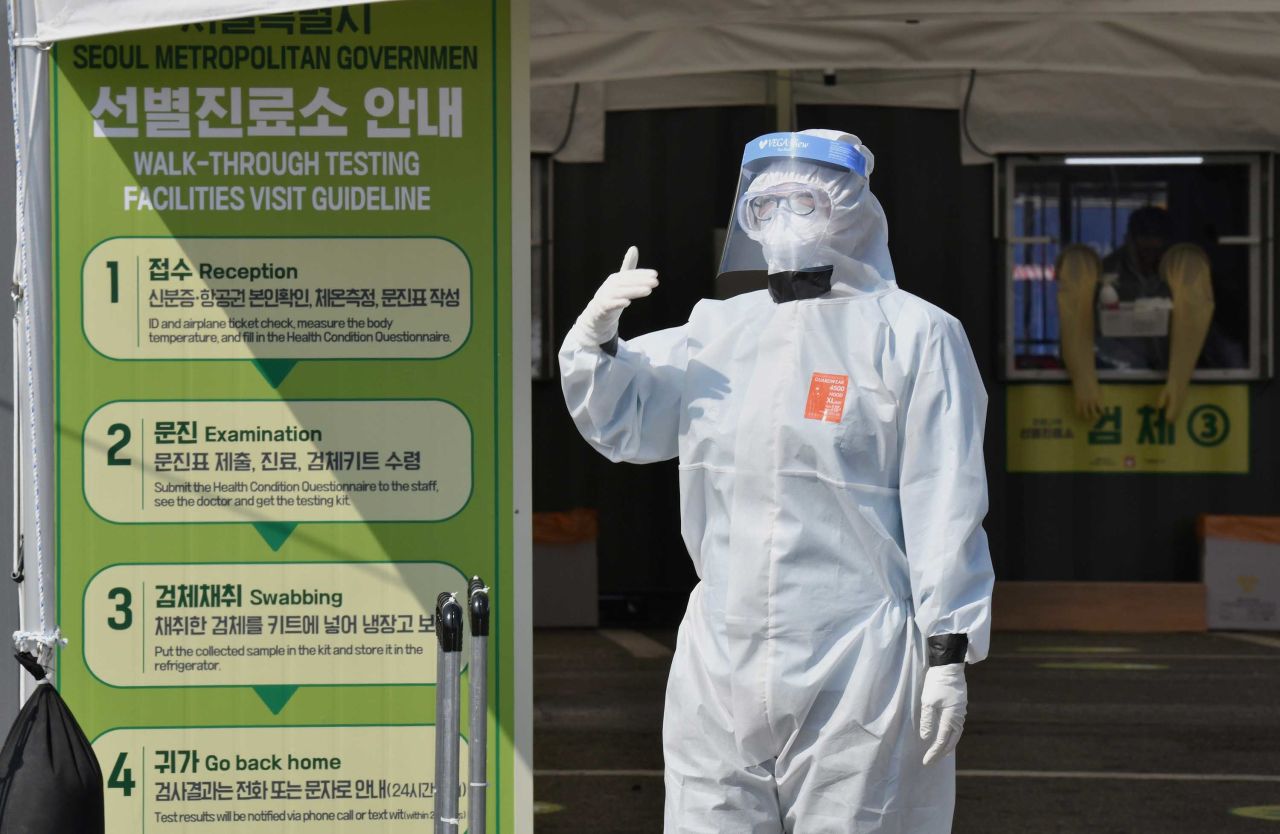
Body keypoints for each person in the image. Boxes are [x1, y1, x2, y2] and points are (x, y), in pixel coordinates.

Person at [560, 129, 994, 833]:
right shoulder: (716, 331)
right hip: (721, 652)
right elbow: (627, 423)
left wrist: (948, 648)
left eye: (806, 200)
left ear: (852, 209)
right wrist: (596, 341)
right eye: (765, 204)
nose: (782, 219)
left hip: (857, 654)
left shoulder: (915, 335)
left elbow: (945, 498)